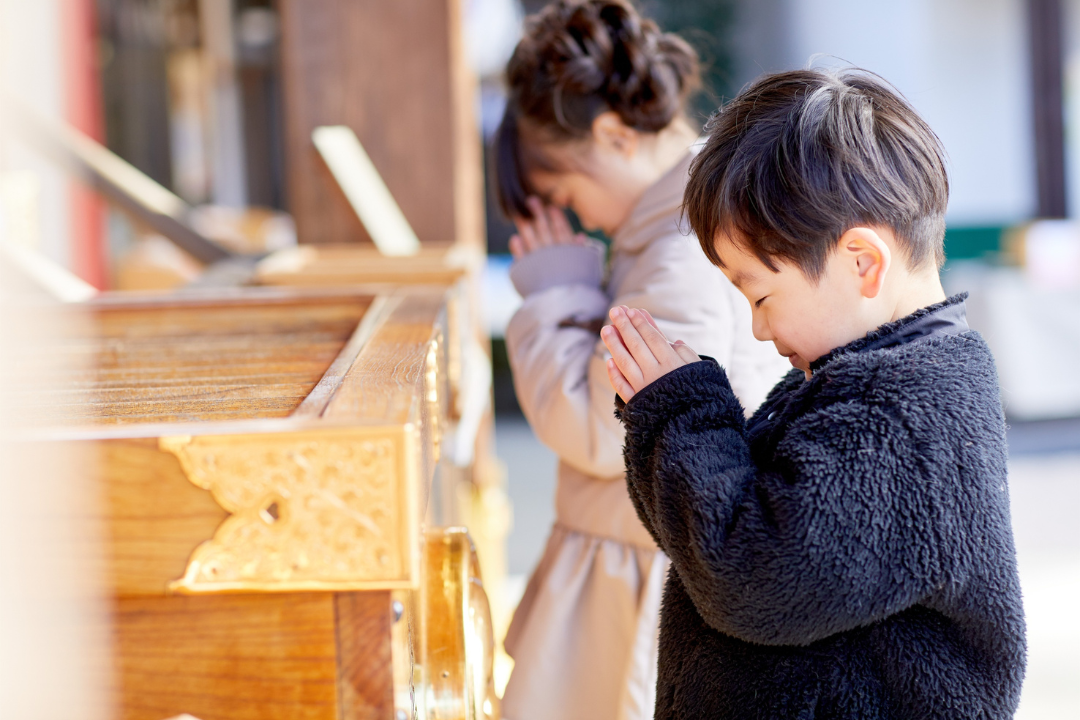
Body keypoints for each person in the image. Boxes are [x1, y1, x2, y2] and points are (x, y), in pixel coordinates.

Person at [601, 68, 1027, 719]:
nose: (758, 327)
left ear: (861, 262)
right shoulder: (866, 380)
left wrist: (680, 414)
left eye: (762, 295)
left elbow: (752, 578)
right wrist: (662, 416)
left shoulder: (905, 421)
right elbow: (711, 545)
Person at [494, 2, 788, 719]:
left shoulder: (677, 253)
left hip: (641, 575)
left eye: (566, 194)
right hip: (636, 555)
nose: (580, 218)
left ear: (613, 135)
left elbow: (605, 429)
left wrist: (556, 295)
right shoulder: (676, 234)